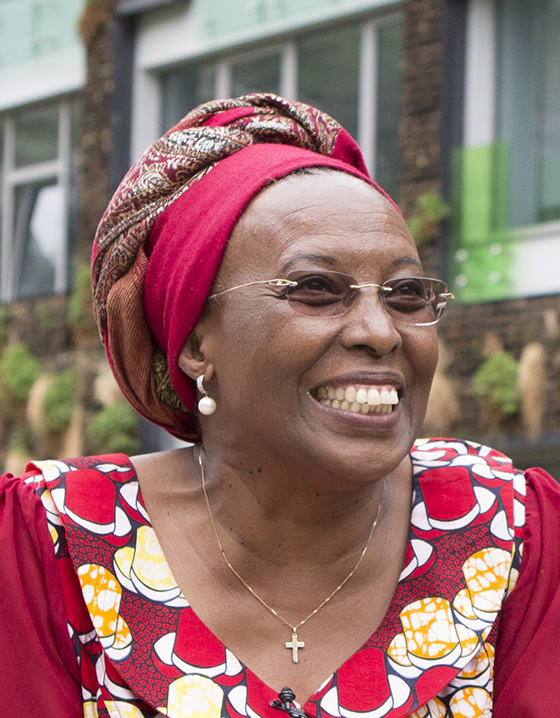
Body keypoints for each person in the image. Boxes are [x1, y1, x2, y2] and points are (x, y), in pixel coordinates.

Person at [1, 94, 559, 718]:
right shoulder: (51, 548)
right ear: (194, 342)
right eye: (316, 289)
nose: (380, 331)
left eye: (406, 294)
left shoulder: (511, 538)